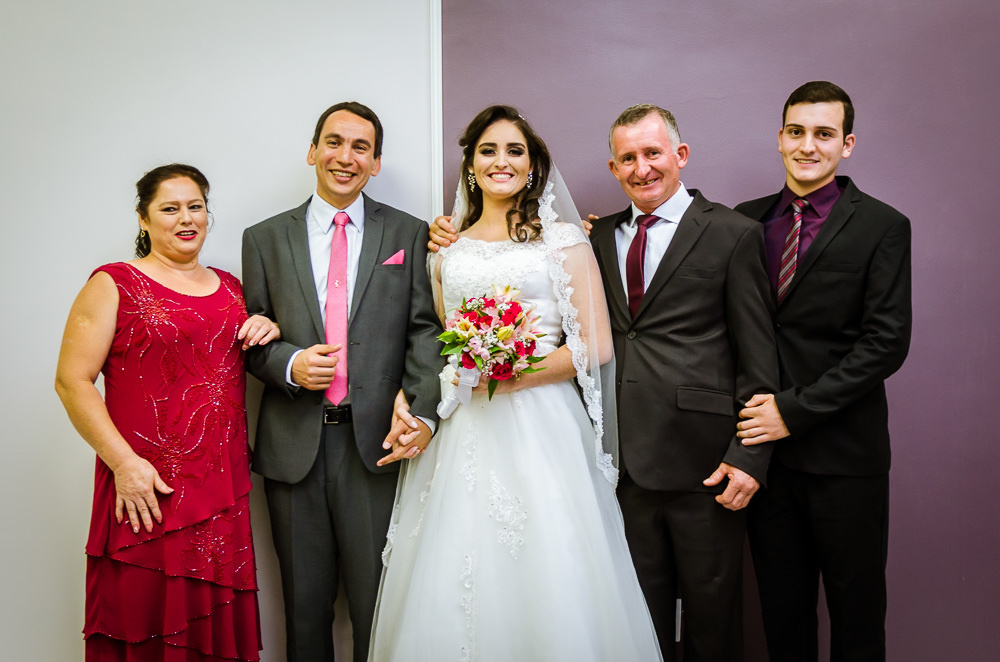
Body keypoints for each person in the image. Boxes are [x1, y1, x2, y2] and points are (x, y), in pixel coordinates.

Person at [429, 105, 778, 662]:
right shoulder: (598, 234)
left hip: (705, 462)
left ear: (679, 156)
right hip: (621, 463)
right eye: (628, 159)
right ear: (613, 167)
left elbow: (759, 360)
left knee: (714, 621)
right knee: (636, 621)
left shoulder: (733, 234)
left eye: (653, 154)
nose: (642, 168)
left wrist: (749, 456)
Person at [368, 105, 662, 661]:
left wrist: (506, 373)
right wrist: (419, 394)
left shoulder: (564, 240)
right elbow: (437, 339)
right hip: (462, 427)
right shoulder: (445, 247)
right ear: (471, 165)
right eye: (488, 150)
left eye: (515, 151)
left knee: (549, 564)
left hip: (542, 425)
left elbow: (594, 346)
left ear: (533, 167)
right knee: (451, 564)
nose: (501, 161)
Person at [241, 101, 443, 662]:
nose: (345, 157)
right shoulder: (262, 239)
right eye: (334, 142)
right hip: (293, 449)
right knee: (304, 609)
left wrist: (422, 411)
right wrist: (288, 365)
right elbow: (252, 339)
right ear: (312, 151)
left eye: (360, 148)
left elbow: (426, 331)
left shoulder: (408, 232)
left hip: (376, 447)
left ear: (376, 162)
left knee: (378, 604)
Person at [55, 163, 276, 661]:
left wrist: (267, 327)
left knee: (210, 629)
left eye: (195, 206)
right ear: (143, 219)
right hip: (146, 486)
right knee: (144, 618)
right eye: (170, 208)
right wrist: (124, 465)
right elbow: (71, 381)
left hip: (220, 492)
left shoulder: (232, 287)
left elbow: (237, 352)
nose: (186, 219)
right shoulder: (114, 282)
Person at [735, 81, 911, 662]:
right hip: (768, 461)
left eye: (823, 134)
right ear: (780, 139)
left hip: (846, 460)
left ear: (848, 143)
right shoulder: (743, 223)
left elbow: (885, 343)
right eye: (796, 132)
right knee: (784, 620)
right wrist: (595, 239)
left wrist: (793, 410)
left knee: (857, 619)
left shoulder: (883, 226)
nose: (807, 146)